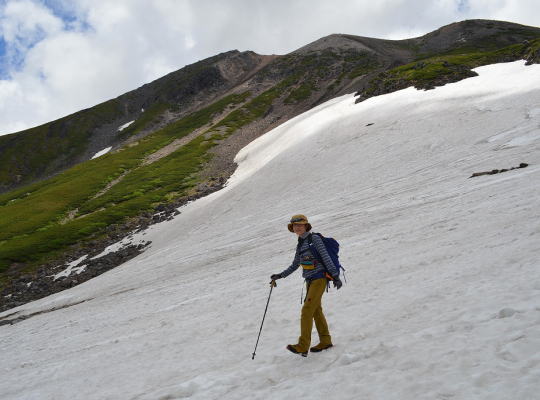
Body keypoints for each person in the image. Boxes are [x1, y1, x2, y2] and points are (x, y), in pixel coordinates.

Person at [271, 214, 342, 357]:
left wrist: (335, 276)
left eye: (300, 225)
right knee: (316, 311)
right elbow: (295, 264)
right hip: (310, 281)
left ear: (306, 226)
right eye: (295, 226)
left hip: (320, 278)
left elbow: (325, 256)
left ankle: (303, 346)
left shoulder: (314, 238)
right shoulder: (300, 243)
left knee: (307, 310)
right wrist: (280, 275)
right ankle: (325, 341)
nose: (297, 228)